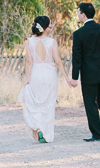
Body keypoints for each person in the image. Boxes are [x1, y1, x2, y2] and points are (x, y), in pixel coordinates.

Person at [18, 15, 73, 143]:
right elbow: (58, 61)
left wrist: (26, 79)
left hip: (36, 73)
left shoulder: (30, 42)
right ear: (45, 27)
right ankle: (46, 132)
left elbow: (29, 61)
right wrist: (66, 78)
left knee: (37, 103)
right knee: (48, 105)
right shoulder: (52, 42)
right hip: (49, 74)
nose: (51, 27)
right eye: (49, 25)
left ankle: (39, 128)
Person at [69, 2, 100, 142]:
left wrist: (74, 77)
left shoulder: (78, 34)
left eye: (78, 12)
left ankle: (97, 134)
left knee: (90, 103)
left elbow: (77, 58)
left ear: (83, 14)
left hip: (88, 74)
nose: (78, 15)